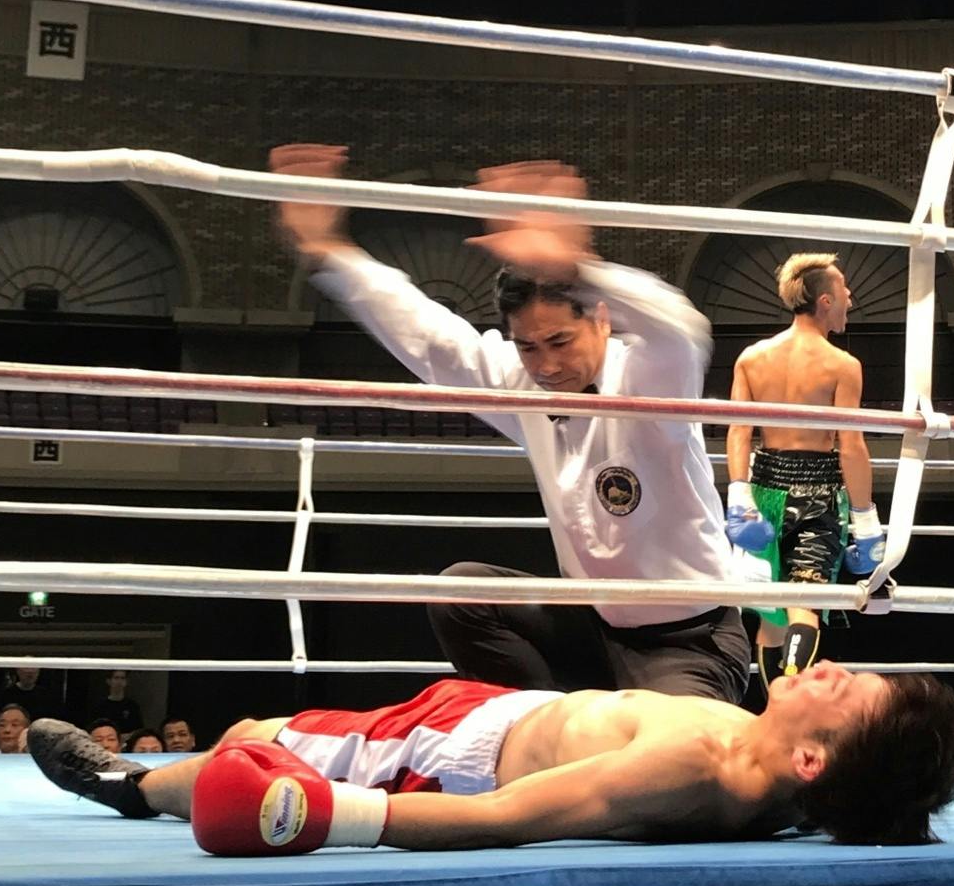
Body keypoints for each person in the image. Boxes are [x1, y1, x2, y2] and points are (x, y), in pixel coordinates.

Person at [271, 149, 748, 702]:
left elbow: (681, 332)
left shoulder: (647, 381)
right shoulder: (520, 382)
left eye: (560, 341)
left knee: (667, 751)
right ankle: (540, 723)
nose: (546, 365)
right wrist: (330, 250)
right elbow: (430, 337)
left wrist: (576, 268)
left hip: (690, 641)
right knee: (463, 593)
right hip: (594, 633)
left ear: (600, 320)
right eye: (528, 346)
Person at [27, 663, 954, 853]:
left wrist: (334, 817)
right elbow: (866, 801)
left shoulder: (698, 770)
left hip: (453, 755)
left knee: (248, 745)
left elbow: (503, 819)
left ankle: (131, 787)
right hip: (498, 711)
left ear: (812, 761)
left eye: (847, 692)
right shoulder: (788, 786)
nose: (831, 669)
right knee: (266, 729)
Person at [724, 253, 881, 684]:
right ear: (825, 301)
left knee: (771, 616)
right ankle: (794, 699)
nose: (851, 297)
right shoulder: (842, 365)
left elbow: (739, 432)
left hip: (764, 490)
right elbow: (851, 446)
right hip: (818, 494)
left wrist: (739, 496)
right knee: (804, 604)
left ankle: (776, 707)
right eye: (844, 288)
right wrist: (867, 522)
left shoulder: (752, 357)